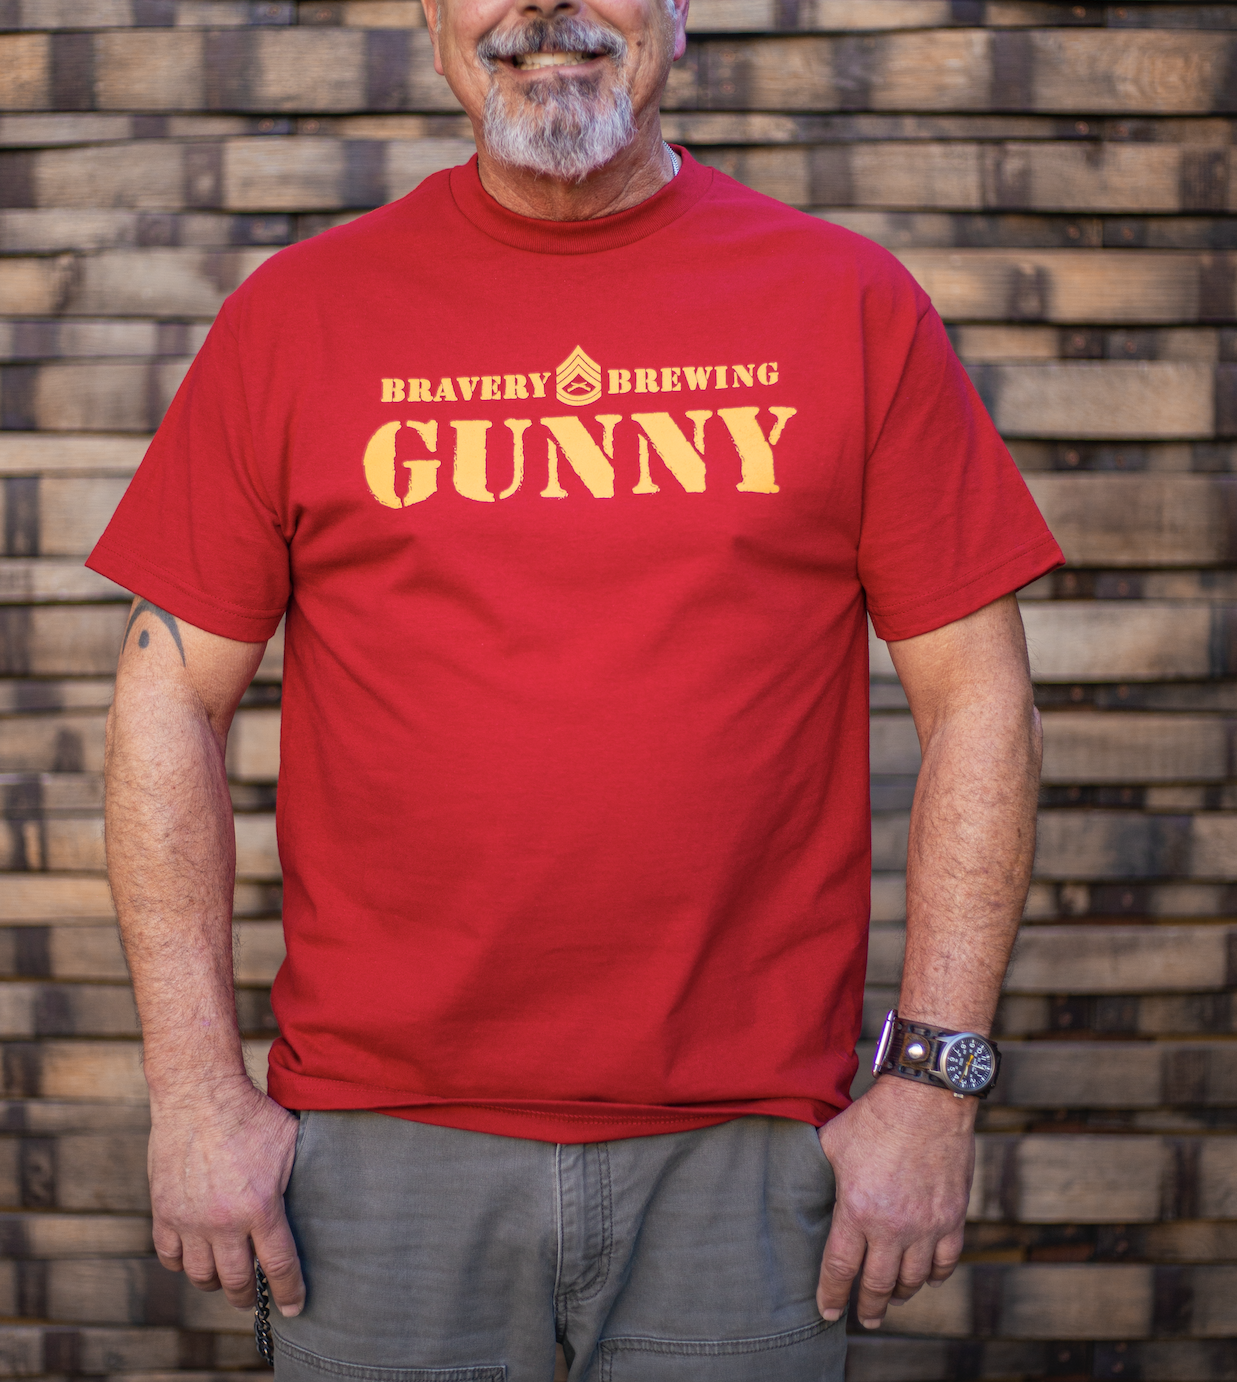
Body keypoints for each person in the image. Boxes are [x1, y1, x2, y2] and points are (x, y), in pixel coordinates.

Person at [88, 0, 1062, 1374]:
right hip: (377, 1160)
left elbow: (983, 705)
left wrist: (932, 1083)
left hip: (748, 1151)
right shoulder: (298, 318)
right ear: (433, 21)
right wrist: (191, 1092)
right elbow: (162, 701)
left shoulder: (844, 307)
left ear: (676, 12)